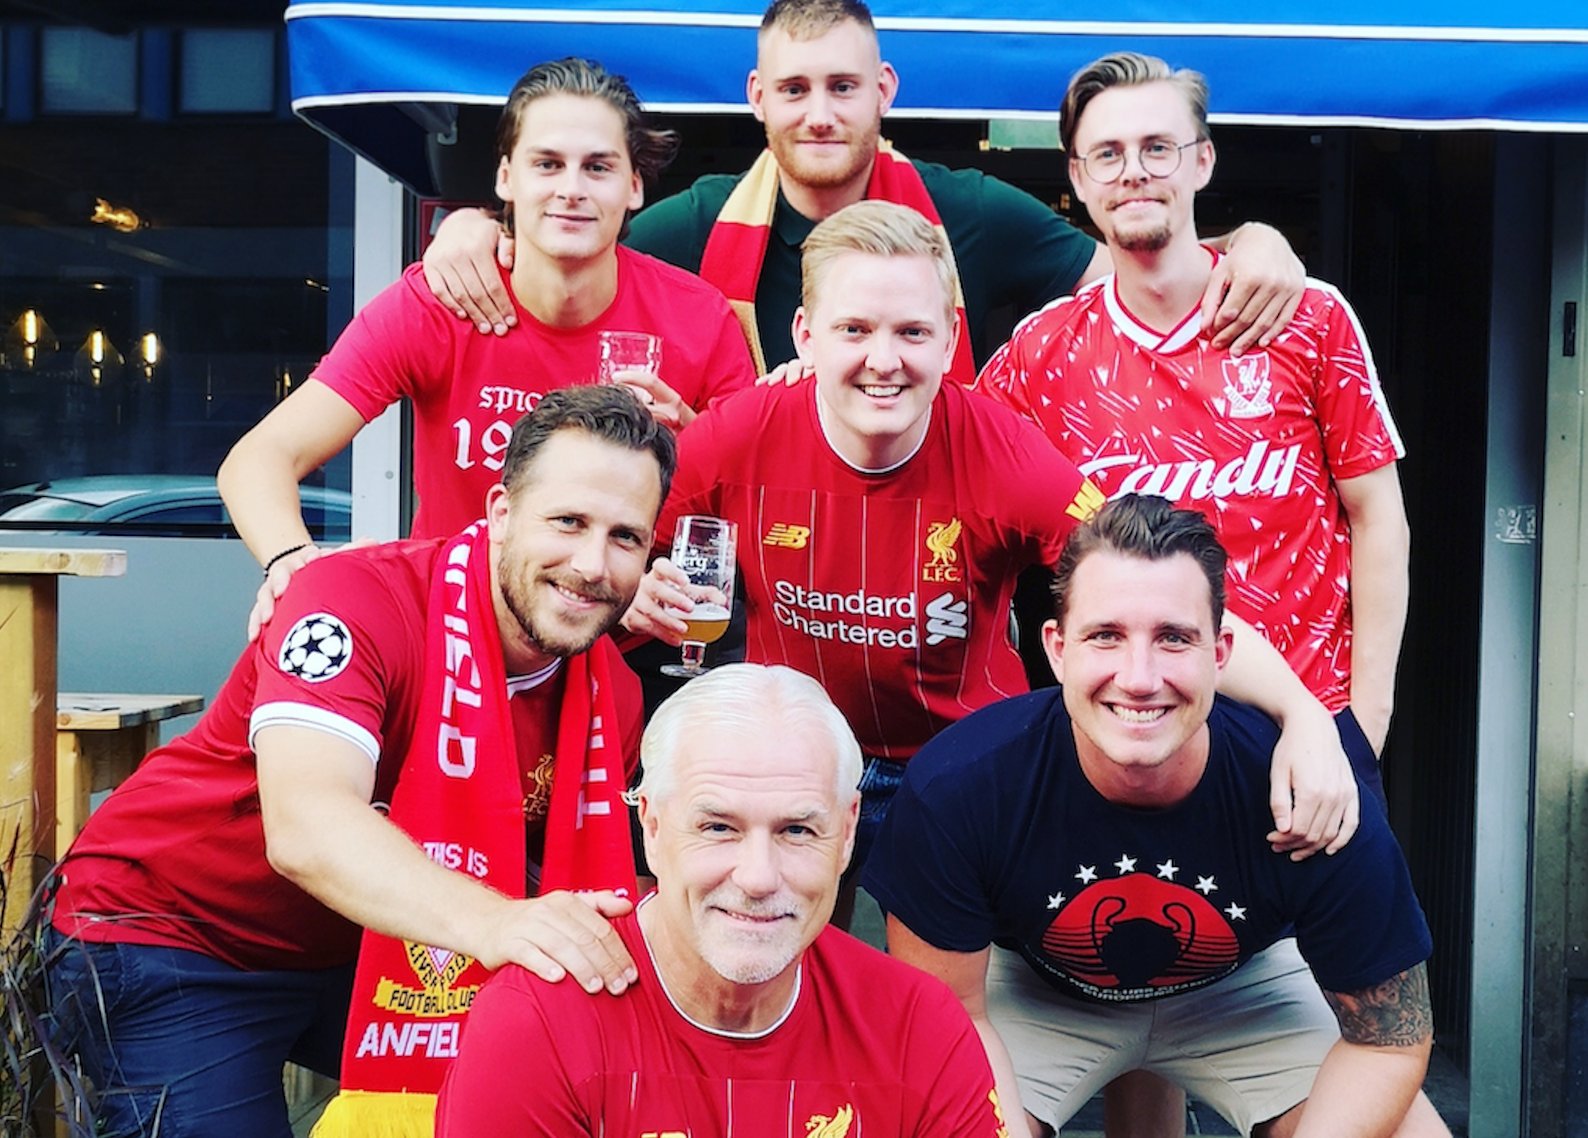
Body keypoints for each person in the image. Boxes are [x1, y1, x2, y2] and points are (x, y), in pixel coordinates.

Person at [621, 202, 1357, 924]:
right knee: (781, 966)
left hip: (960, 764)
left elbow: (1150, 587)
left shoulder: (1004, 453)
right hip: (801, 757)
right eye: (855, 330)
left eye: (912, 332)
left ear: (950, 342)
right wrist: (635, 595)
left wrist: (1304, 713)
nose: (884, 360)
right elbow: (604, 549)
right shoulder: (741, 432)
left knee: (948, 988)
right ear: (805, 337)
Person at [47, 386, 674, 1137]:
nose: (592, 564)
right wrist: (499, 922)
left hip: (362, 949)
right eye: (568, 521)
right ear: (502, 513)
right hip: (173, 934)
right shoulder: (354, 598)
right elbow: (306, 826)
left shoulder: (611, 695)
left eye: (625, 537)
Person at [865, 494, 1448, 1138]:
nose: (1139, 678)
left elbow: (1389, 1043)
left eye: (1173, 638)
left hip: (1244, 990)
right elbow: (951, 1023)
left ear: (1220, 652)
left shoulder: (1312, 789)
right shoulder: (961, 786)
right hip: (1034, 989)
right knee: (923, 1120)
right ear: (1056, 649)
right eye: (1105, 636)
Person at [422, 0, 1307, 373]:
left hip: (933, 594)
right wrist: (475, 230)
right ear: (757, 97)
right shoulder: (697, 222)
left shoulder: (969, 210)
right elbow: (564, 257)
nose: (819, 115)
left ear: (884, 91)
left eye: (843, 88)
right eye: (795, 90)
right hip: (747, 598)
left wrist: (1250, 245)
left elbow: (1139, 279)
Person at [977, 52, 1409, 762]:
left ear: (1202, 161)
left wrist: (1365, 723)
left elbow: (1377, 516)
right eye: (1108, 154)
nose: (1134, 171)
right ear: (1078, 178)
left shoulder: (1306, 317)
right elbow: (940, 469)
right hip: (1128, 742)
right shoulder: (1040, 353)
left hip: (1305, 741)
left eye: (1158, 148)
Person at [218, 57, 753, 628]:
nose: (571, 189)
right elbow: (259, 458)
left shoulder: (697, 318)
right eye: (547, 164)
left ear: (634, 186)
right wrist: (294, 562)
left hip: (631, 641)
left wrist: (692, 441)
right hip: (458, 634)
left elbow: (758, 503)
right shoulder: (443, 300)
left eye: (597, 167)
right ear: (505, 179)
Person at [435, 663, 1010, 1136]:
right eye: (717, 828)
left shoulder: (918, 1026)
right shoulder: (538, 1022)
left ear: (847, 833)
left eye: (797, 830)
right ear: (651, 827)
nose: (758, 877)